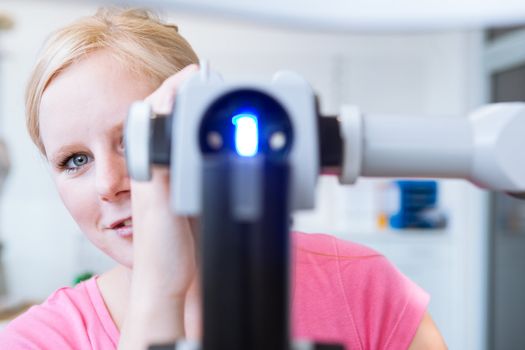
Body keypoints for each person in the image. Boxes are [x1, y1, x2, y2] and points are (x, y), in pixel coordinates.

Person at [0, 7, 446, 350]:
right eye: (75, 160)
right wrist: (160, 290)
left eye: (134, 141)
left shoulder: (362, 288)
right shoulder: (37, 340)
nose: (107, 183)